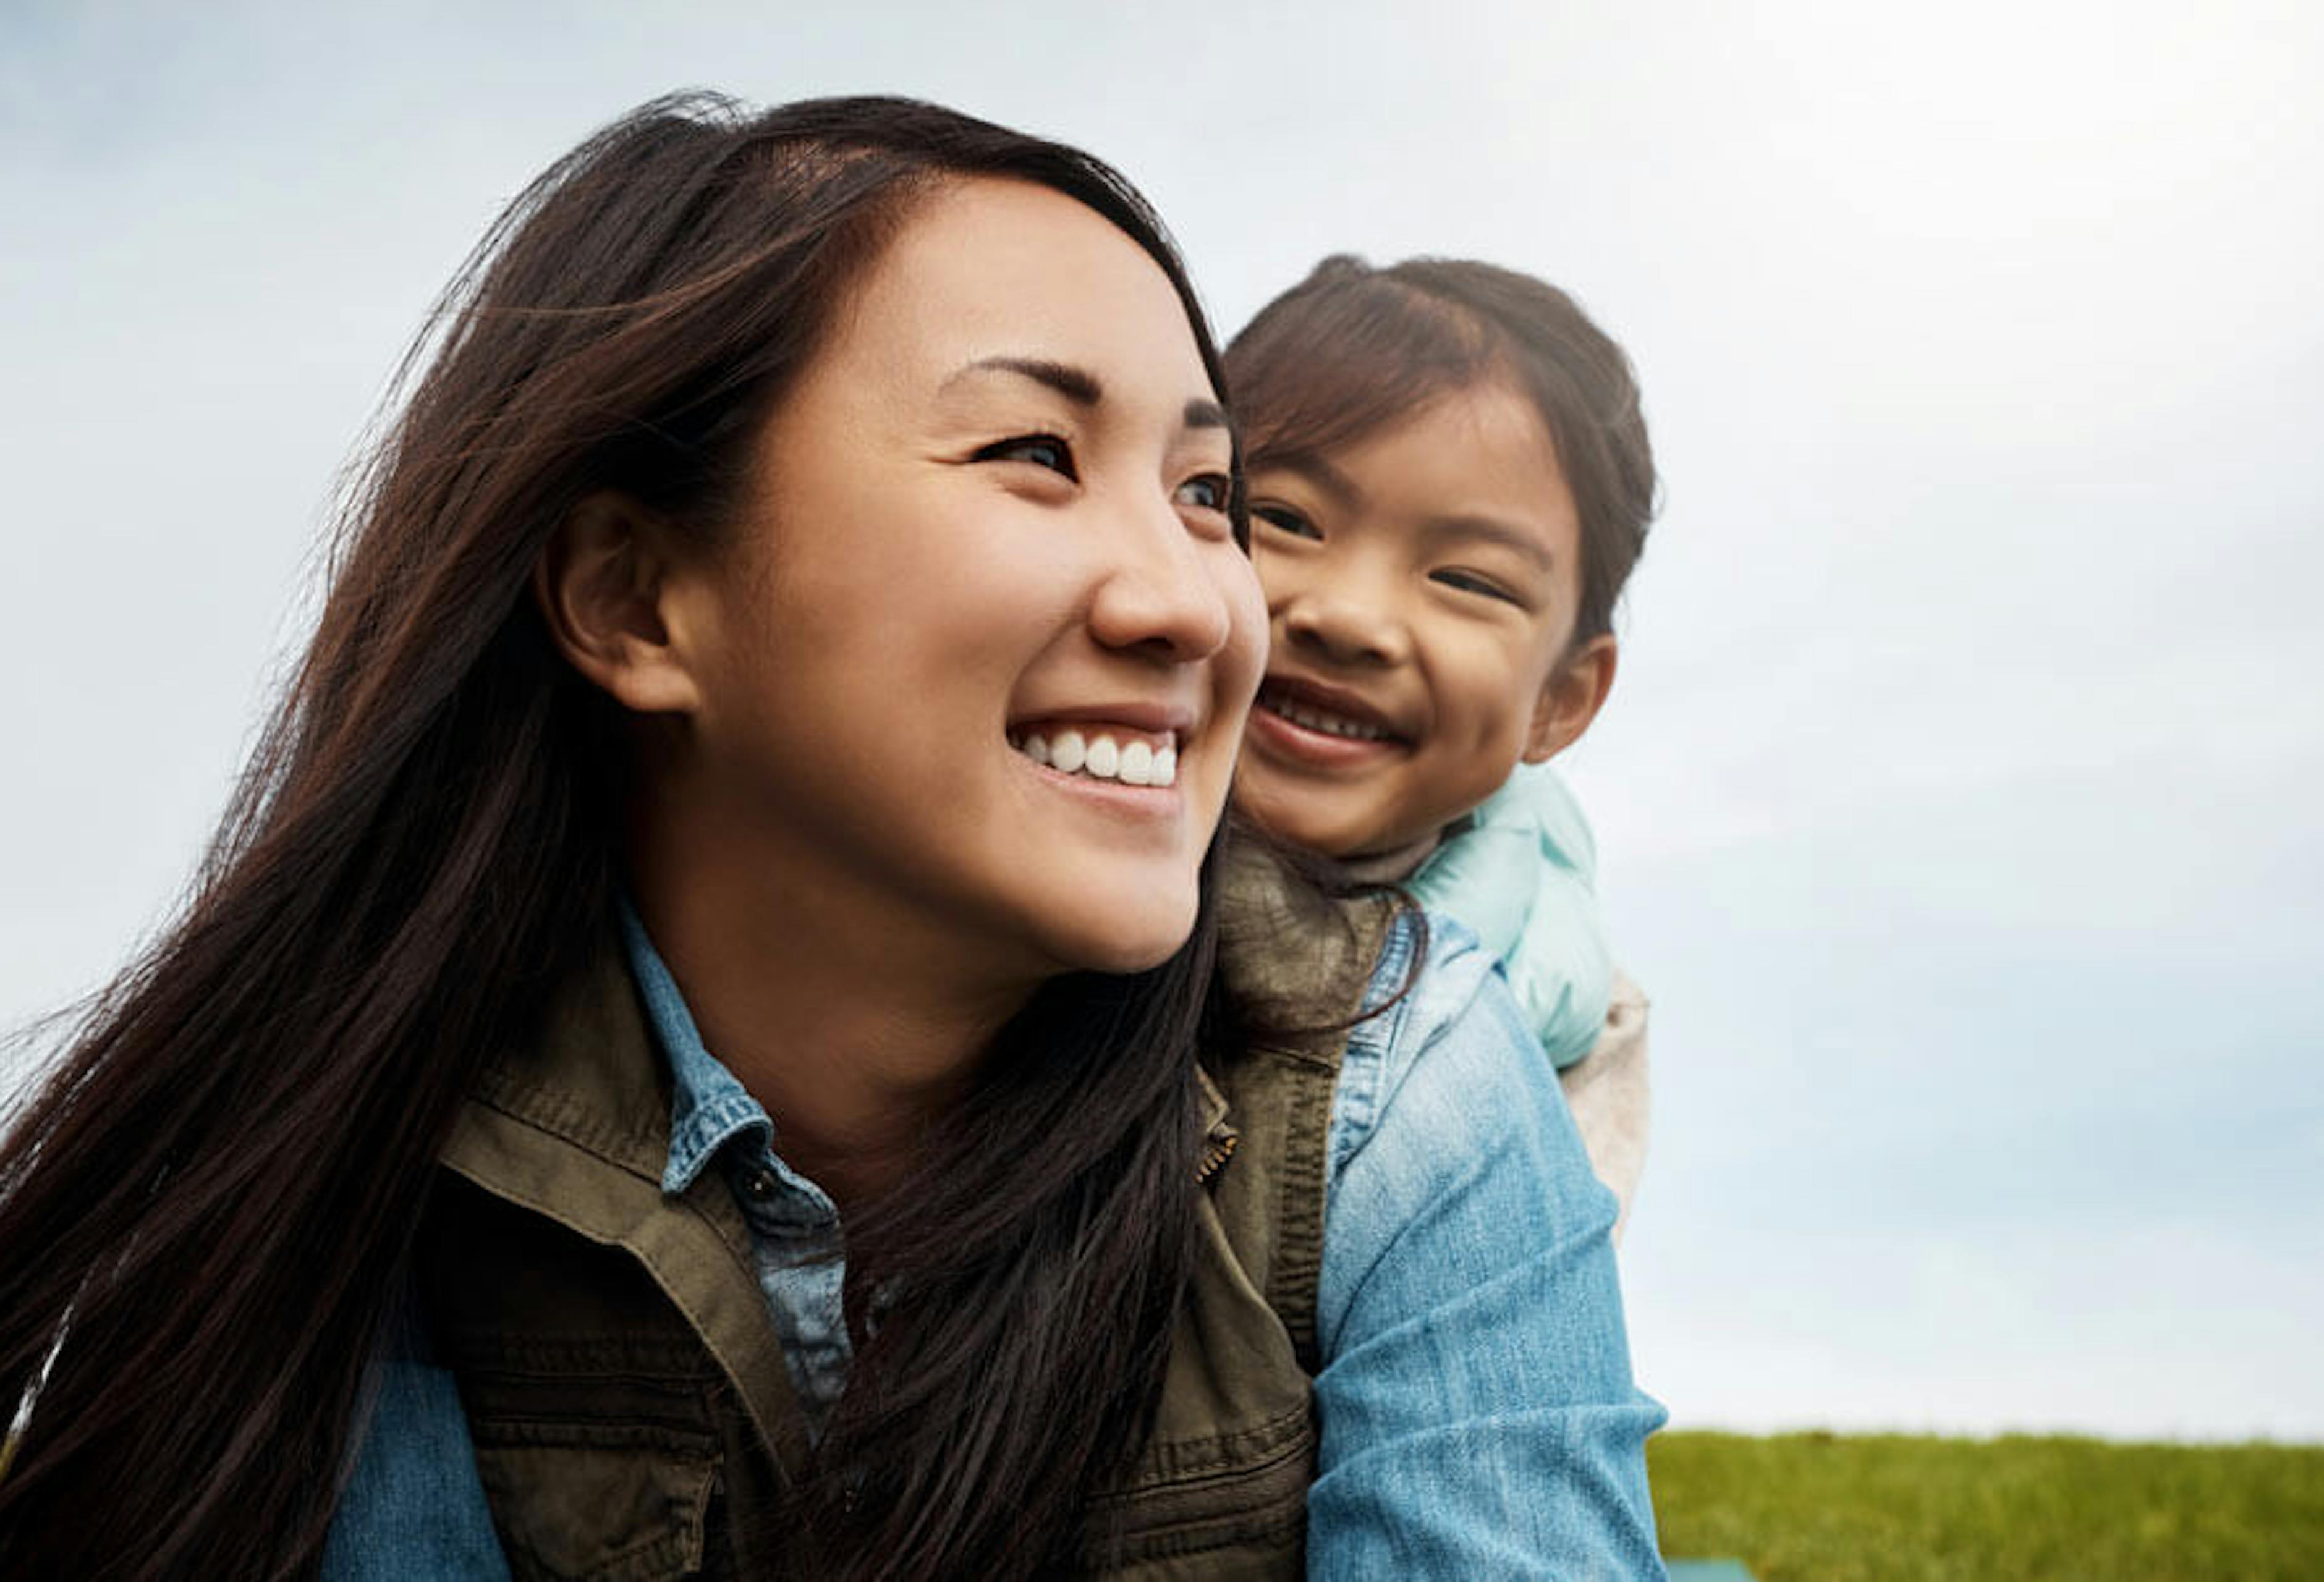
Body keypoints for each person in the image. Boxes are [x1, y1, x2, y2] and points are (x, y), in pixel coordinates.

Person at [0, 96, 1664, 1578]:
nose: (1200, 604)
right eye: (1034, 452)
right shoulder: (334, 1151)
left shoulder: (1405, 1082)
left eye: (1202, 493)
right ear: (639, 597)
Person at [1226, 255, 1659, 1240]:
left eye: (1468, 580)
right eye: (1285, 520)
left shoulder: (1553, 1021)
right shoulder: (996, 857)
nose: (1350, 619)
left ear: (1561, 699)